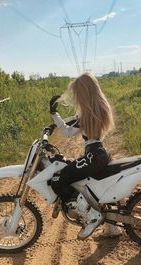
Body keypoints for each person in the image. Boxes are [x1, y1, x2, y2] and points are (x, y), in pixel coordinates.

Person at [49, 72, 114, 240]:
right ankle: (113, 229)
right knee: (100, 192)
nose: (76, 97)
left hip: (93, 155)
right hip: (101, 153)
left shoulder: (87, 114)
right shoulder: (101, 108)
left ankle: (93, 216)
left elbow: (67, 131)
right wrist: (54, 122)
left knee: (59, 178)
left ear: (83, 93)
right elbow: (72, 120)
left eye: (78, 93)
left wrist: (54, 114)